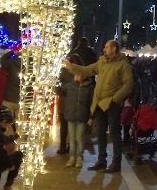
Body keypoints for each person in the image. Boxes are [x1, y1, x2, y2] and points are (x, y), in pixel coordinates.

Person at [64, 39, 133, 173]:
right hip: (100, 103)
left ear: (114, 49)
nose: (104, 49)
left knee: (114, 133)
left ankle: (116, 162)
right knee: (100, 132)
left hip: (112, 104)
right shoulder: (102, 62)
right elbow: (87, 70)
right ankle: (102, 160)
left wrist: (114, 99)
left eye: (107, 47)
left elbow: (128, 85)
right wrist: (71, 67)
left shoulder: (123, 65)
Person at [56, 64, 94, 168]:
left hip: (82, 116)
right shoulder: (69, 86)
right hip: (71, 115)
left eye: (78, 75)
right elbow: (59, 91)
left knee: (79, 137)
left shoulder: (89, 88)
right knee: (72, 138)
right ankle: (72, 157)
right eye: (75, 75)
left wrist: (91, 117)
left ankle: (80, 157)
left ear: (84, 76)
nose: (75, 77)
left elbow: (92, 103)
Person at [0, 48, 22, 136]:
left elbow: (2, 60)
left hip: (9, 97)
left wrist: (13, 52)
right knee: (20, 122)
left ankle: (9, 138)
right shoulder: (30, 66)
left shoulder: (12, 63)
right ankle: (20, 138)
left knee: (7, 121)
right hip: (21, 98)